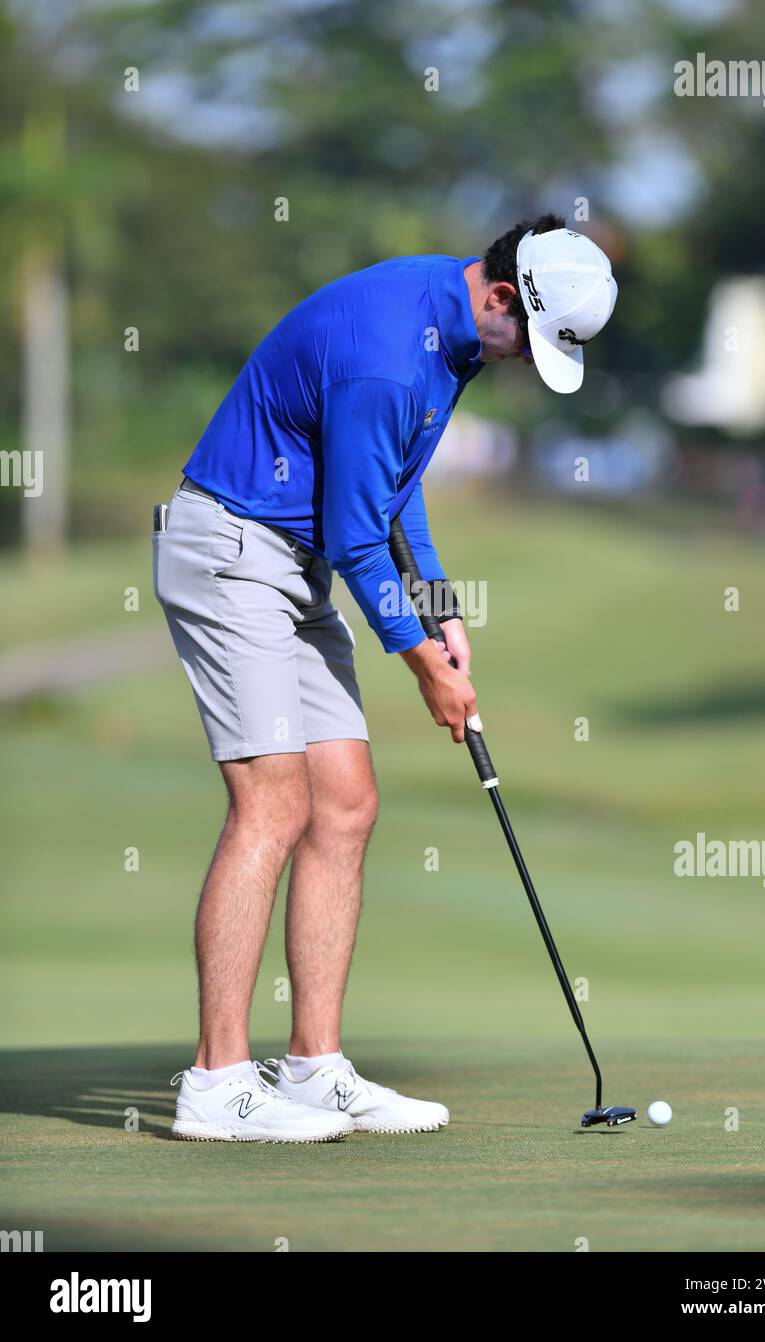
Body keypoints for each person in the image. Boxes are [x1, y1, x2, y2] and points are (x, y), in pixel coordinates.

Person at [155, 215, 618, 1142]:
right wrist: (423, 668)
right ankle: (216, 1082)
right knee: (272, 803)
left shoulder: (453, 336)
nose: (526, 362)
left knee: (347, 803)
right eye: (528, 343)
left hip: (292, 564)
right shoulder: (389, 358)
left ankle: (316, 1068)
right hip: (232, 551)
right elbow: (358, 535)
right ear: (499, 297)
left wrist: (444, 613)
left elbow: (397, 492)